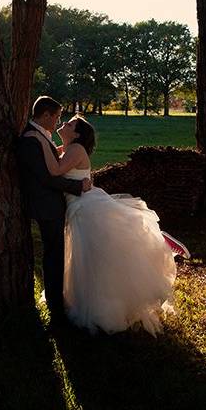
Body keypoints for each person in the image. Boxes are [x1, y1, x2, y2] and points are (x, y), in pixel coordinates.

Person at [24, 113, 186, 335]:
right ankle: (90, 299)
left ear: (77, 134)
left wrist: (39, 138)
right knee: (92, 257)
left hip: (85, 207)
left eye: (69, 123)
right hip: (78, 204)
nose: (64, 124)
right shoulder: (68, 149)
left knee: (97, 256)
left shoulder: (75, 149)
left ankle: (157, 246)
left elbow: (53, 170)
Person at [16, 97, 92, 328]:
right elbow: (47, 176)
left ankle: (59, 299)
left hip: (60, 204)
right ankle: (55, 304)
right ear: (47, 115)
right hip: (47, 206)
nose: (60, 121)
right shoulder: (31, 138)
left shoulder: (39, 135)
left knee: (58, 253)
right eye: (58, 116)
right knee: (54, 254)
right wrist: (77, 186)